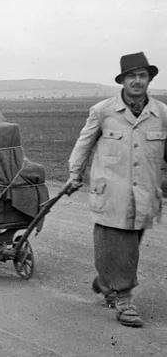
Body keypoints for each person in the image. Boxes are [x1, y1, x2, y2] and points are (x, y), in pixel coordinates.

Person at [66, 52, 167, 328]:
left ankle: (106, 281)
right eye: (132, 76)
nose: (137, 81)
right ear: (122, 80)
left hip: (145, 193)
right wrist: (74, 175)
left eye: (142, 76)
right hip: (111, 192)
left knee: (130, 244)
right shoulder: (103, 111)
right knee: (119, 244)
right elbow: (83, 145)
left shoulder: (161, 113)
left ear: (149, 79)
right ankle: (124, 299)